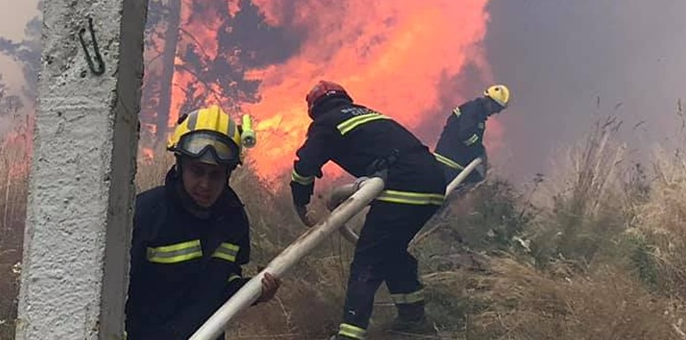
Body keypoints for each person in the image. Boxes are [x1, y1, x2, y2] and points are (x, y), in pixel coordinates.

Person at [290, 81, 447, 339]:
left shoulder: (327, 123)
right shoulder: (369, 113)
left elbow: (304, 166)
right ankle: (413, 318)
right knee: (391, 250)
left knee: (367, 260)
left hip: (403, 183)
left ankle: (350, 334)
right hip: (433, 183)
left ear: (314, 109)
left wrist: (300, 201)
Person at [125, 105, 280, 340]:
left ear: (227, 174)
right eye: (197, 171)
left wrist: (254, 291)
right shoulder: (146, 214)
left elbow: (221, 286)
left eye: (215, 174)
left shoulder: (233, 219)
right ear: (180, 166)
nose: (205, 185)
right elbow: (116, 292)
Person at [432, 84, 511, 187]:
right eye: (497, 108)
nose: (497, 112)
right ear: (489, 101)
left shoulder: (477, 113)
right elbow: (466, 135)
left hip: (455, 163)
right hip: (448, 163)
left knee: (479, 182)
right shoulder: (472, 111)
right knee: (476, 186)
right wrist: (479, 150)